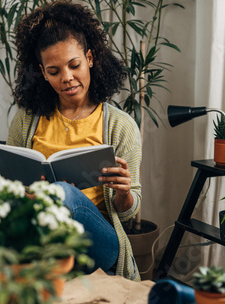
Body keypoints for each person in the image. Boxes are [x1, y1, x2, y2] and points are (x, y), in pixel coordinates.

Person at [8, 1, 142, 281]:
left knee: (64, 194)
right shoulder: (26, 121)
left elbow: (128, 214)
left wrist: (123, 191)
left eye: (74, 65)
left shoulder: (120, 126)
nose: (67, 78)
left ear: (90, 58)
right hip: (45, 235)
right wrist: (26, 195)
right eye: (54, 71)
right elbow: (11, 194)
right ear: (43, 73)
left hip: (100, 243)